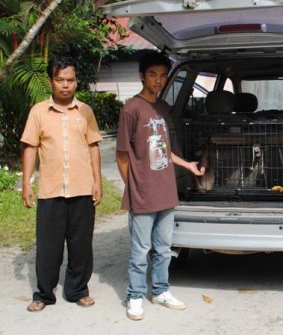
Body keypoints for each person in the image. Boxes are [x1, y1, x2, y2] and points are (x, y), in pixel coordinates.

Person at [116, 49, 205, 321]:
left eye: (162, 76)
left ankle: (161, 290)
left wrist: (186, 165)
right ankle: (135, 295)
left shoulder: (163, 108)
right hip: (143, 192)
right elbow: (121, 154)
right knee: (140, 249)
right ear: (141, 76)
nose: (158, 80)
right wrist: (132, 185)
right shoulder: (132, 108)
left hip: (166, 190)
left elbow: (163, 149)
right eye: (152, 75)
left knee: (164, 247)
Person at [21, 57, 103, 312]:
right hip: (51, 190)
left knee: (81, 245)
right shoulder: (38, 112)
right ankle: (44, 293)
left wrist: (98, 181)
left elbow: (93, 147)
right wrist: (26, 183)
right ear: (51, 82)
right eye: (60, 80)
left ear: (76, 81)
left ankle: (77, 290)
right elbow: (30, 147)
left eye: (70, 80)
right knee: (48, 246)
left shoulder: (85, 112)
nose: (66, 85)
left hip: (82, 189)